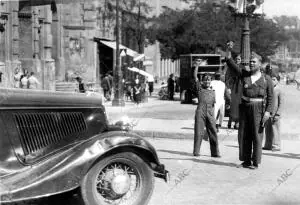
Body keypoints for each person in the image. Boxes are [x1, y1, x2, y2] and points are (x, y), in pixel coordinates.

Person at [225, 41, 273, 169]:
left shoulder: (266, 79)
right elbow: (231, 64)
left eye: (254, 62)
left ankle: (255, 162)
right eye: (250, 62)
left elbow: (271, 98)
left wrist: (268, 112)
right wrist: (228, 50)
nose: (251, 64)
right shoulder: (244, 75)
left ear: (260, 64)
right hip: (245, 107)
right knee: (244, 134)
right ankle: (246, 161)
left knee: (257, 136)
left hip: (259, 109)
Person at [193, 59, 220, 158]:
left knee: (213, 132)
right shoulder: (200, 88)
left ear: (211, 80)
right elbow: (195, 77)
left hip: (210, 112)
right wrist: (197, 66)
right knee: (199, 131)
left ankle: (215, 152)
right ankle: (196, 151)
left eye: (209, 80)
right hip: (201, 111)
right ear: (202, 81)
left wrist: (215, 116)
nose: (207, 81)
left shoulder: (213, 91)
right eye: (205, 79)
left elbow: (214, 105)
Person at [263, 73, 283, 151]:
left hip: (275, 114)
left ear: (278, 81)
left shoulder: (278, 90)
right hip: (268, 113)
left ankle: (276, 145)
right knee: (268, 130)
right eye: (271, 79)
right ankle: (268, 145)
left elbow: (281, 103)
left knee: (275, 130)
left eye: (274, 79)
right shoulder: (268, 89)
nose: (272, 81)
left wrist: (278, 113)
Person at [226, 54, 243, 129]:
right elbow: (227, 78)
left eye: (239, 59)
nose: (237, 60)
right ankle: (230, 121)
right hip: (233, 87)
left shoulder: (243, 68)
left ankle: (237, 123)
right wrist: (228, 88)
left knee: (239, 105)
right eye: (236, 59)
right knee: (232, 104)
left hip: (241, 88)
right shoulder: (231, 68)